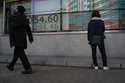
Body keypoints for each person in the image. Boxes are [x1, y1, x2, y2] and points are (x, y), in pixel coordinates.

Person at [7, 6, 34, 74]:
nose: (15, 10)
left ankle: (28, 68)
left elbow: (12, 24)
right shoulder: (24, 18)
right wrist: (30, 38)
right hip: (22, 39)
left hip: (17, 39)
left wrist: (10, 13)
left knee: (21, 53)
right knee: (17, 53)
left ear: (18, 10)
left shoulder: (15, 17)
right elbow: (28, 29)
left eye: (16, 9)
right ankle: (11, 65)